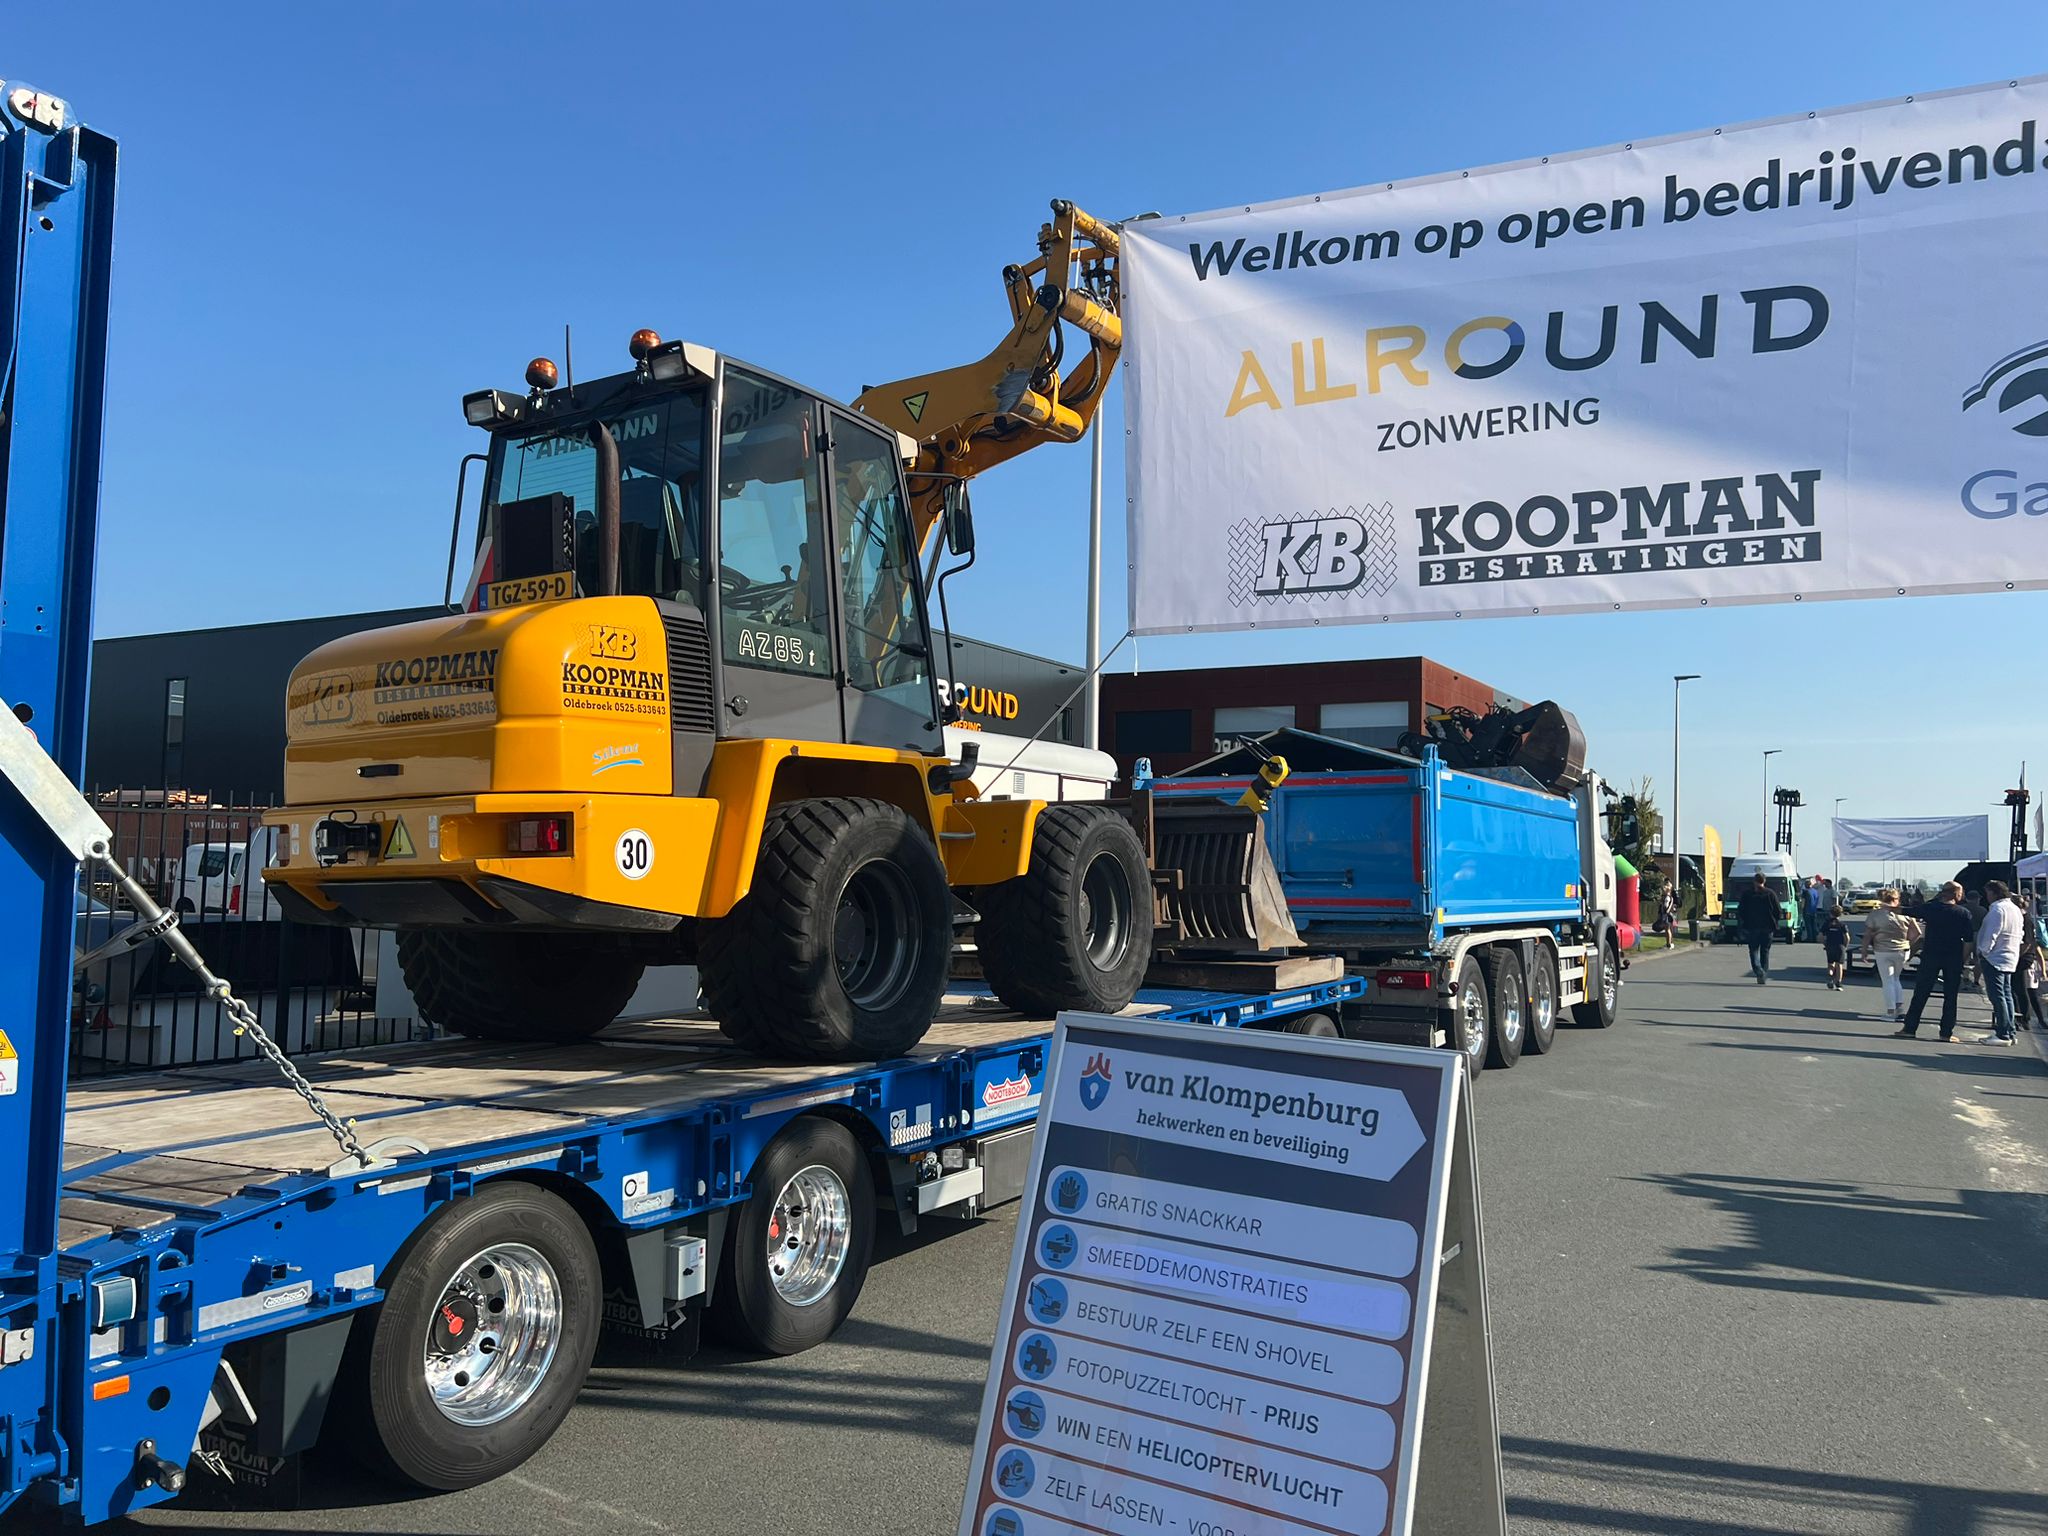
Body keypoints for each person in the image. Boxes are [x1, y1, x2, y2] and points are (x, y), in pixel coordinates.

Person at [1895, 882, 1976, 1041]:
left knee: (1921, 992)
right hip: (1953, 956)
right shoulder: (1964, 913)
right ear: (1956, 894)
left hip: (1931, 954)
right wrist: (1962, 960)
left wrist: (1888, 908)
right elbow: (1968, 940)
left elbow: (1907, 911)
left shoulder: (1930, 908)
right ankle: (1946, 1033)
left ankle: (1909, 1028)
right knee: (1950, 996)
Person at [1859, 888, 1919, 1023]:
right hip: (1902, 950)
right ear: (1896, 899)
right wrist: (1908, 943)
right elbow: (1917, 932)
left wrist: (1864, 951)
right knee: (1896, 979)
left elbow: (1867, 935)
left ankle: (1890, 1012)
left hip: (1883, 950)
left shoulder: (1875, 915)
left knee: (1887, 981)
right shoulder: (1905, 913)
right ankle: (1900, 1010)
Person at [1976, 880, 2022, 1046]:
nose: (1987, 896)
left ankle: (2002, 1033)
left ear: (1995, 893)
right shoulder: (2015, 909)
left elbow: (1991, 934)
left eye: (1988, 893)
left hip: (1995, 957)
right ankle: (2010, 1031)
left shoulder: (1997, 909)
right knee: (2006, 995)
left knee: (1997, 996)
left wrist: (1983, 951)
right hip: (2010, 955)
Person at [1737, 873, 1780, 985]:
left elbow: (1741, 910)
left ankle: (1758, 970)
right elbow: (1778, 910)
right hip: (1768, 927)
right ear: (1764, 881)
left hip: (1752, 926)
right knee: (1765, 951)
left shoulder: (1747, 894)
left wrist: (1743, 922)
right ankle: (1763, 973)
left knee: (1753, 950)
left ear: (1754, 881)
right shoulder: (1770, 894)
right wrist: (1775, 922)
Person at [1821, 906, 1851, 990]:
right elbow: (1847, 937)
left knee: (1830, 963)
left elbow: (1820, 936)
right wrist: (1845, 946)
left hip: (1830, 945)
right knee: (1839, 964)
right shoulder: (1842, 925)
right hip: (1840, 946)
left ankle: (1830, 978)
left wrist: (1825, 944)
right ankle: (1838, 983)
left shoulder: (1826, 924)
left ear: (1830, 913)